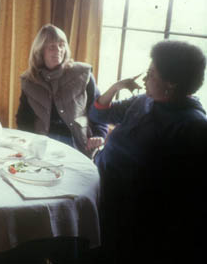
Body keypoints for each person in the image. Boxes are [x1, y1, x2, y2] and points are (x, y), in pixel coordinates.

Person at [89, 40, 207, 263]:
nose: (144, 79)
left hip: (131, 219)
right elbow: (98, 116)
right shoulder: (144, 101)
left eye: (152, 73)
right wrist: (116, 87)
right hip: (103, 191)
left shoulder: (193, 127)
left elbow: (180, 198)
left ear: (171, 83)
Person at [16, 24, 108, 156]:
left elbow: (99, 109)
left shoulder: (83, 74)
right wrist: (27, 145)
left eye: (61, 45)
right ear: (40, 50)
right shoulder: (29, 80)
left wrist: (99, 134)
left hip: (77, 142)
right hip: (42, 143)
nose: (58, 50)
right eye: (52, 47)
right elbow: (23, 119)